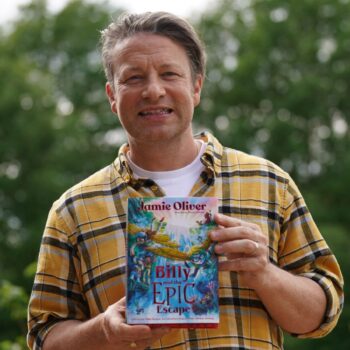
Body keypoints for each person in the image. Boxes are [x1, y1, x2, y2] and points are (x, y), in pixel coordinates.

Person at [27, 11, 344, 350]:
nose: (153, 90)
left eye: (169, 74)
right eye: (133, 78)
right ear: (112, 96)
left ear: (196, 87)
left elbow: (321, 316)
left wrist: (263, 273)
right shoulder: (73, 211)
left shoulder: (269, 183)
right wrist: (105, 330)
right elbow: (45, 337)